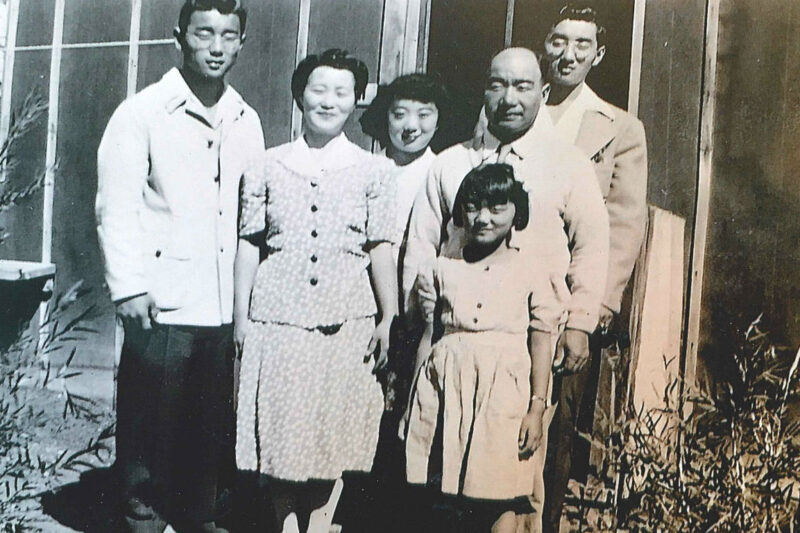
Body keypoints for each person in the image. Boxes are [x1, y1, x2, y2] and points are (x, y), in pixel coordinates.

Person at [403, 46, 609, 531]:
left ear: (542, 92)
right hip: (456, 352)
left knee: (522, 482)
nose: (509, 98)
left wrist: (579, 323)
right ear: (484, 91)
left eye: (521, 86)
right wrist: (417, 326)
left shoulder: (568, 164)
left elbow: (592, 247)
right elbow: (420, 249)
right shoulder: (450, 165)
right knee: (447, 476)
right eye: (497, 85)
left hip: (529, 347)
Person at [95, 1, 263, 532]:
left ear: (241, 43)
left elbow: (250, 213)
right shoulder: (142, 112)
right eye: (204, 33)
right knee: (151, 424)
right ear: (179, 37)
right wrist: (129, 289)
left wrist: (245, 304)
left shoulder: (246, 117)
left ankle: (197, 517)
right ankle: (141, 517)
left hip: (220, 304)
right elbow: (115, 205)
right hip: (160, 301)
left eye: (228, 35)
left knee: (207, 425)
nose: (216, 46)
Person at [233, 48, 398, 533]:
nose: (329, 101)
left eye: (342, 92)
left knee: (334, 426)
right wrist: (242, 318)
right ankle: (284, 521)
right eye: (318, 89)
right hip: (277, 316)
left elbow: (380, 248)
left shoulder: (375, 172)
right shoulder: (265, 165)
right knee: (282, 425)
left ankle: (323, 522)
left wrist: (388, 317)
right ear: (299, 95)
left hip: (347, 317)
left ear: (357, 100)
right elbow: (249, 244)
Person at [405, 163, 563, 533]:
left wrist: (536, 408)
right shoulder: (442, 268)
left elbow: (542, 338)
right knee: (445, 495)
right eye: (473, 206)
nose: (483, 218)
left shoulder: (531, 269)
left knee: (499, 494)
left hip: (502, 397)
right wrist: (412, 403)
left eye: (497, 207)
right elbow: (429, 337)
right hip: (446, 393)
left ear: (516, 213)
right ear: (461, 211)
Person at [539, 5, 648, 531]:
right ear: (546, 46)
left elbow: (624, 221)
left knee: (559, 423)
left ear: (598, 55)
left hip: (571, 295)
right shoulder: (520, 107)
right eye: (560, 41)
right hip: (511, 288)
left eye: (582, 45)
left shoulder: (619, 127)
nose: (569, 54)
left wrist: (601, 302)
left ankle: (547, 522)